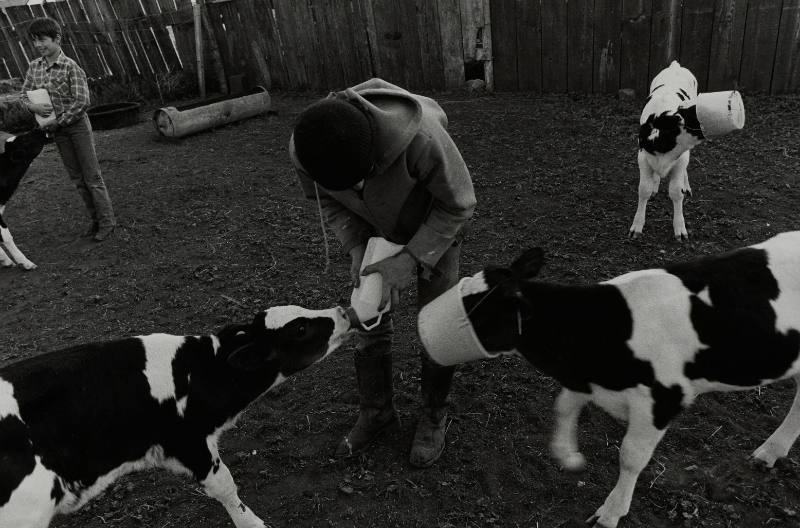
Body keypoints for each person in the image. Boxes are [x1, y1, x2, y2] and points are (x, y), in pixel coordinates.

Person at [289, 78, 476, 467]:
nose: (355, 187)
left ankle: (433, 415)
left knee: (437, 325)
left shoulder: (424, 139)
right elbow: (328, 203)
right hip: (372, 230)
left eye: (361, 178)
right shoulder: (307, 150)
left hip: (433, 226)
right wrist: (357, 246)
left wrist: (409, 259)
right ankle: (377, 412)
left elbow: (458, 204)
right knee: (367, 316)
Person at [21, 17, 116, 242]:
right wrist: (32, 106)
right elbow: (22, 94)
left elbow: (82, 101)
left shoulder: (70, 67)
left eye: (42, 40)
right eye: (35, 41)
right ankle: (95, 220)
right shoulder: (34, 67)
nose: (38, 45)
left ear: (57, 39)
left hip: (77, 127)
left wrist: (61, 121)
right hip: (58, 131)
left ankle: (107, 222)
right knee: (77, 178)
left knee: (92, 176)